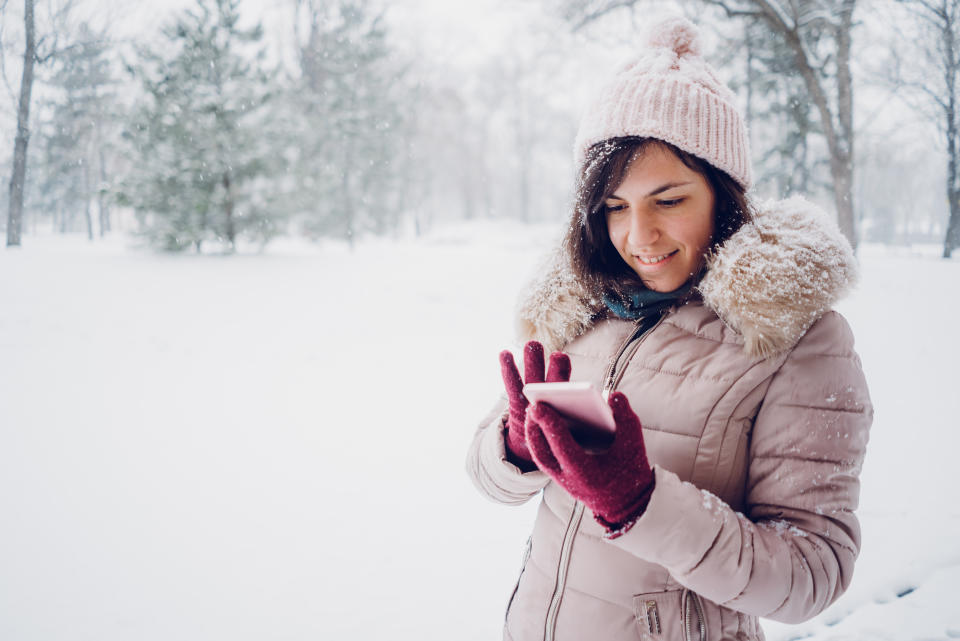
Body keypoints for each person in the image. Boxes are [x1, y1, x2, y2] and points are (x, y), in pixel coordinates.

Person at [465, 14, 873, 641]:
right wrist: (517, 448)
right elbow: (486, 479)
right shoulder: (582, 309)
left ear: (724, 192)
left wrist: (641, 502)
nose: (638, 236)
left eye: (669, 199)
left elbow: (812, 571)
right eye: (614, 208)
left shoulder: (796, 340)